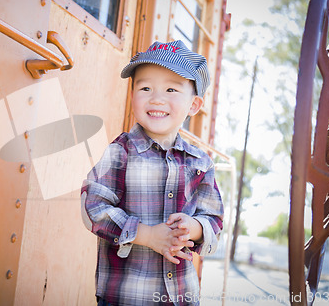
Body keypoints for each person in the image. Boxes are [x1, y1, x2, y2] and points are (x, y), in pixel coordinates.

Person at [81, 40, 224, 306]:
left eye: (171, 89)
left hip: (181, 297)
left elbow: (214, 219)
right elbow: (92, 207)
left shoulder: (200, 162)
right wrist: (147, 235)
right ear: (132, 94)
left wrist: (193, 228)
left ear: (194, 105)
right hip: (126, 296)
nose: (157, 98)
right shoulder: (121, 152)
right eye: (145, 88)